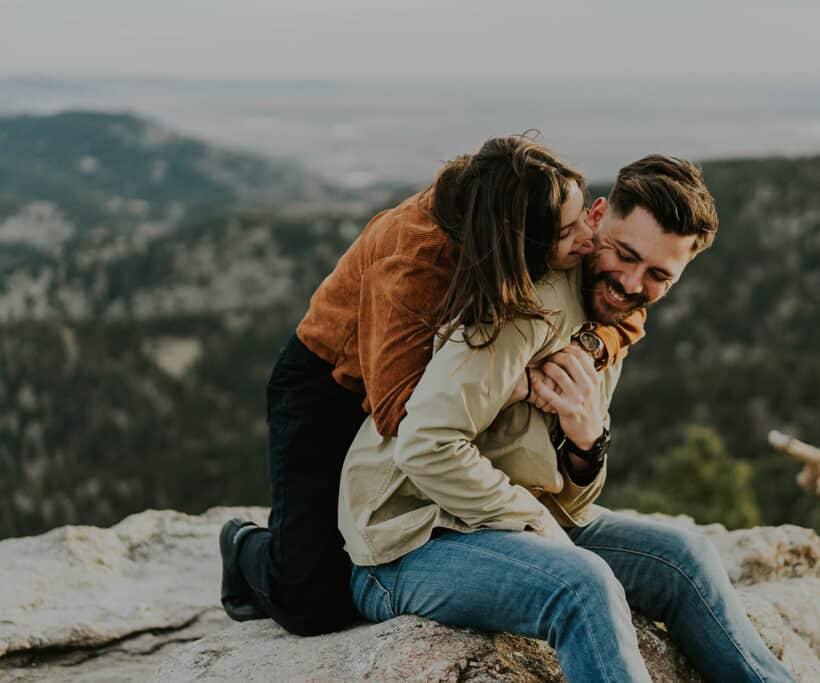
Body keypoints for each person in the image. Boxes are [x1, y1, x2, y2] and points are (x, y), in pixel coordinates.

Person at [341, 155, 796, 682]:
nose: (629, 284)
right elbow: (425, 444)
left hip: (501, 527)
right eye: (625, 255)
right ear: (597, 218)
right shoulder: (527, 302)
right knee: (582, 587)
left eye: (657, 276)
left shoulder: (606, 319)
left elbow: (571, 505)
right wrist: (533, 521)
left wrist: (588, 443)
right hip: (409, 542)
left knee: (684, 558)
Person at [219, 135, 647, 637]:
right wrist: (522, 384)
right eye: (569, 232)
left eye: (585, 219)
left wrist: (589, 349)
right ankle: (244, 544)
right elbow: (397, 407)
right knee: (313, 601)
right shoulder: (415, 260)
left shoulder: (520, 195)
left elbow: (628, 312)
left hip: (409, 395)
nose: (589, 242)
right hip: (329, 390)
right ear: (521, 242)